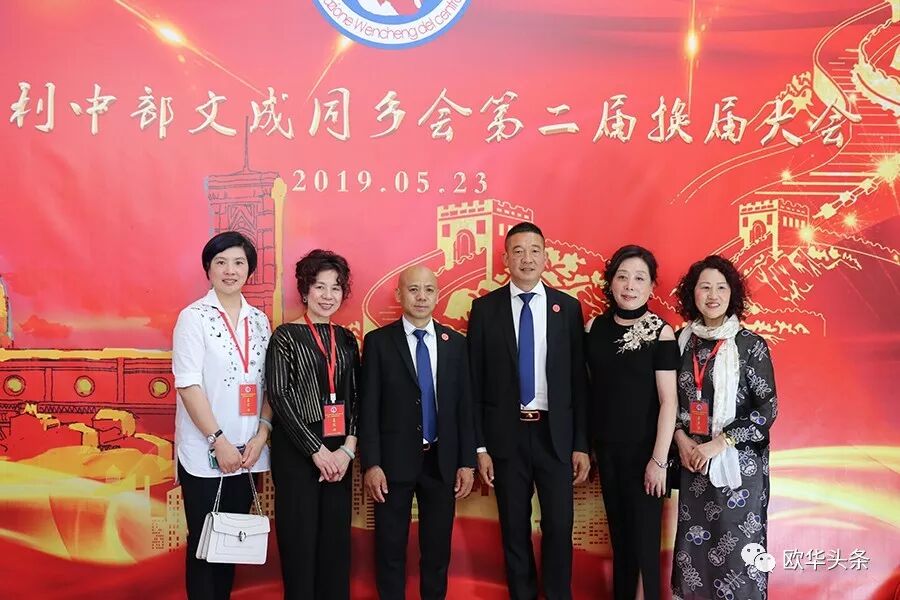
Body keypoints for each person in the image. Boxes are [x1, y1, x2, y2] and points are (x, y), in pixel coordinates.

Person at [467, 221, 590, 600]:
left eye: (534, 250)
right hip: (506, 438)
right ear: (505, 259)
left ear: (545, 257)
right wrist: (480, 447)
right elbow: (474, 384)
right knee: (513, 529)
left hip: (555, 435)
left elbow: (579, 382)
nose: (527, 258)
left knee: (559, 527)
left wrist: (581, 444)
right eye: (518, 251)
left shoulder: (567, 309)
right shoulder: (484, 309)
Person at [360, 265, 476, 599]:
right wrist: (372, 463)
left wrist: (466, 462)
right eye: (413, 289)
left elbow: (464, 407)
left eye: (428, 290)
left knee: (437, 551)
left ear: (438, 295)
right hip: (392, 464)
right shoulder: (379, 342)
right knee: (390, 549)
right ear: (399, 294)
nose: (421, 297)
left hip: (441, 461)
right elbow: (368, 407)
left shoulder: (455, 344)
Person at [172, 231, 273, 600]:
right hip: (206, 453)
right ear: (208, 269)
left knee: (231, 542)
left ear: (249, 270)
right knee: (204, 544)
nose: (230, 270)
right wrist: (218, 440)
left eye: (239, 263)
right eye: (221, 262)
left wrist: (261, 435)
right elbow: (188, 386)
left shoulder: (259, 321)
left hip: (248, 454)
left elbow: (271, 384)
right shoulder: (193, 318)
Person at [670, 255, 777, 600]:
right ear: (692, 293)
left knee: (739, 555)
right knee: (695, 555)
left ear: (733, 294)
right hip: (693, 463)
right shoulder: (679, 342)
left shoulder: (750, 345)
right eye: (705, 287)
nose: (713, 295)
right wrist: (680, 439)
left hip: (739, 470)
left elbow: (768, 409)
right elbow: (666, 401)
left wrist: (720, 442)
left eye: (721, 287)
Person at [584, 245, 679, 600]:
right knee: (621, 541)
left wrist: (658, 460)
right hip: (606, 452)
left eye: (640, 278)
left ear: (651, 286)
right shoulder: (593, 328)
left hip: (645, 454)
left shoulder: (661, 333)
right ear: (610, 282)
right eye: (622, 277)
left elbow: (669, 401)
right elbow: (589, 390)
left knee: (643, 542)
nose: (630, 285)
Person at [265, 250, 359, 600]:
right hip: (298, 453)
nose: (328, 295)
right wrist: (316, 451)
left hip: (340, 454)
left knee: (336, 546)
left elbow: (357, 397)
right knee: (300, 544)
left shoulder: (347, 339)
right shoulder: (285, 336)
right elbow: (279, 395)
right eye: (319, 286)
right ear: (305, 291)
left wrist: (347, 451)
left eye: (336, 287)